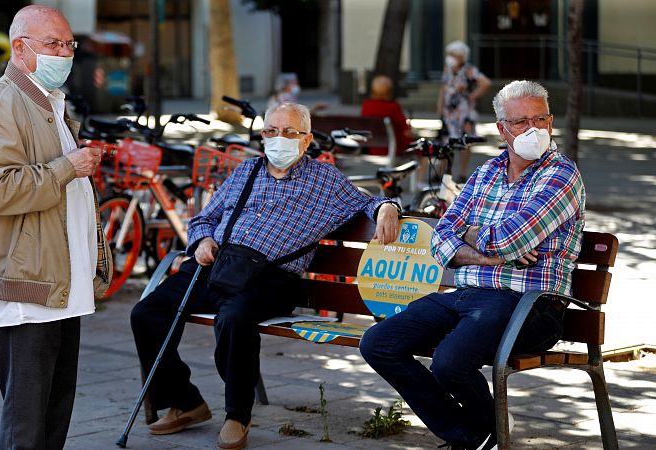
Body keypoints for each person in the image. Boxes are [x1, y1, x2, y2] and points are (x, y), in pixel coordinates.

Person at [130, 103, 401, 450]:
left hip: (271, 279)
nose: (279, 139)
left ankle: (237, 415)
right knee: (146, 314)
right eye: (271, 131)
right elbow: (204, 219)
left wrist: (388, 207)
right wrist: (203, 241)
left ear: (305, 140)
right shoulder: (247, 171)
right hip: (218, 265)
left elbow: (368, 202)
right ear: (262, 136)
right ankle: (185, 401)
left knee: (233, 319)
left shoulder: (325, 180)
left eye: (289, 132)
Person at [360, 80, 586, 449]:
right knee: (379, 342)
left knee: (449, 363)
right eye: (520, 122)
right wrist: (490, 248)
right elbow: (440, 239)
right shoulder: (485, 173)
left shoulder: (562, 175)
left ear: (550, 121)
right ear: (501, 129)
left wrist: (472, 236)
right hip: (467, 296)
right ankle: (473, 431)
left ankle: (476, 436)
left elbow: (512, 238)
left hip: (528, 303)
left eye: (540, 119)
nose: (533, 129)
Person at [0, 5, 112, 449]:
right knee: (26, 422)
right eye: (53, 44)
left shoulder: (49, 103)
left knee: (53, 413)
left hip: (59, 284)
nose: (64, 53)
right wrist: (67, 167)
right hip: (27, 287)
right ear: (20, 48)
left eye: (69, 44)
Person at [430, 40, 491, 184]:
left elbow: (485, 83)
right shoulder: (448, 69)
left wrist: (471, 97)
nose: (450, 57)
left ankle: (462, 172)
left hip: (464, 113)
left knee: (465, 141)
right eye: (449, 54)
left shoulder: (469, 69)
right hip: (449, 113)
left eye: (453, 54)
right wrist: (440, 105)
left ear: (462, 56)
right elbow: (443, 88)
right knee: (445, 141)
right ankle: (441, 172)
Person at [360, 75, 413, 156]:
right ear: (389, 91)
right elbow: (406, 131)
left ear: (373, 90)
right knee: (425, 149)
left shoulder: (366, 106)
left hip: (372, 149)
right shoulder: (394, 107)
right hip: (394, 148)